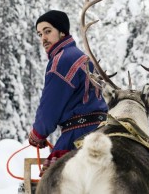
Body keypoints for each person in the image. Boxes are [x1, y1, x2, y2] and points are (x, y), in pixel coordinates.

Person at [28, 10, 108, 175]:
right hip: (103, 133)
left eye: (48, 31)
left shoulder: (61, 61)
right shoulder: (83, 58)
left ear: (62, 31)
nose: (43, 38)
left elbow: (50, 108)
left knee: (50, 182)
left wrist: (38, 134)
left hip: (77, 137)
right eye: (40, 33)